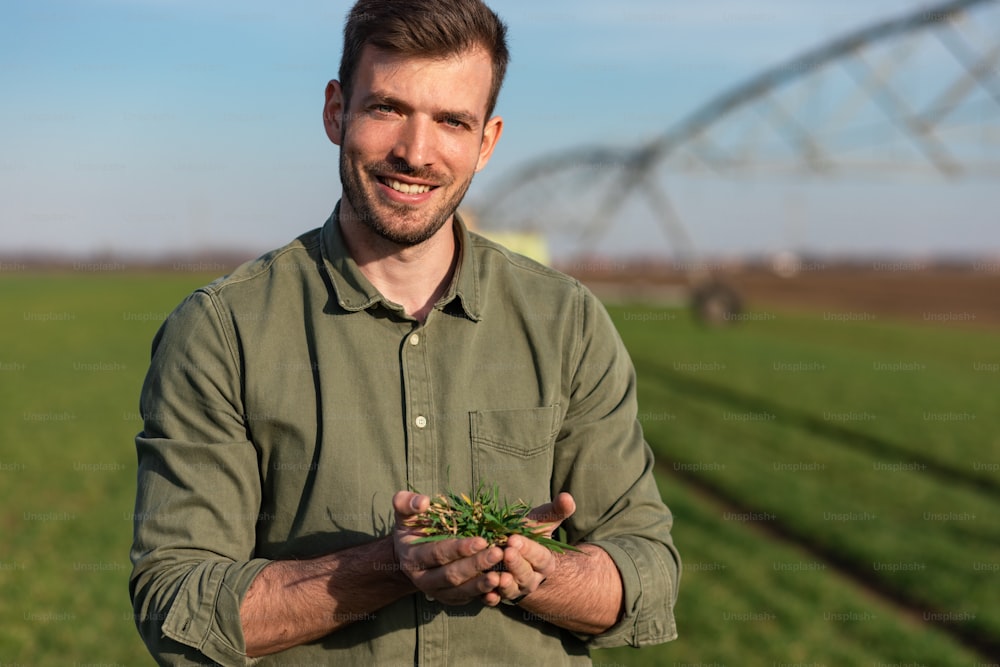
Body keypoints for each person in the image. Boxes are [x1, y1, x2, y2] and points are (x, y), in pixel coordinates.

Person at [129, 0, 680, 664]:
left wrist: (537, 570)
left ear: (487, 141)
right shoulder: (222, 332)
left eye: (452, 121)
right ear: (337, 111)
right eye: (388, 108)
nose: (416, 153)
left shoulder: (567, 322)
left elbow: (646, 570)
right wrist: (389, 566)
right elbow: (177, 602)